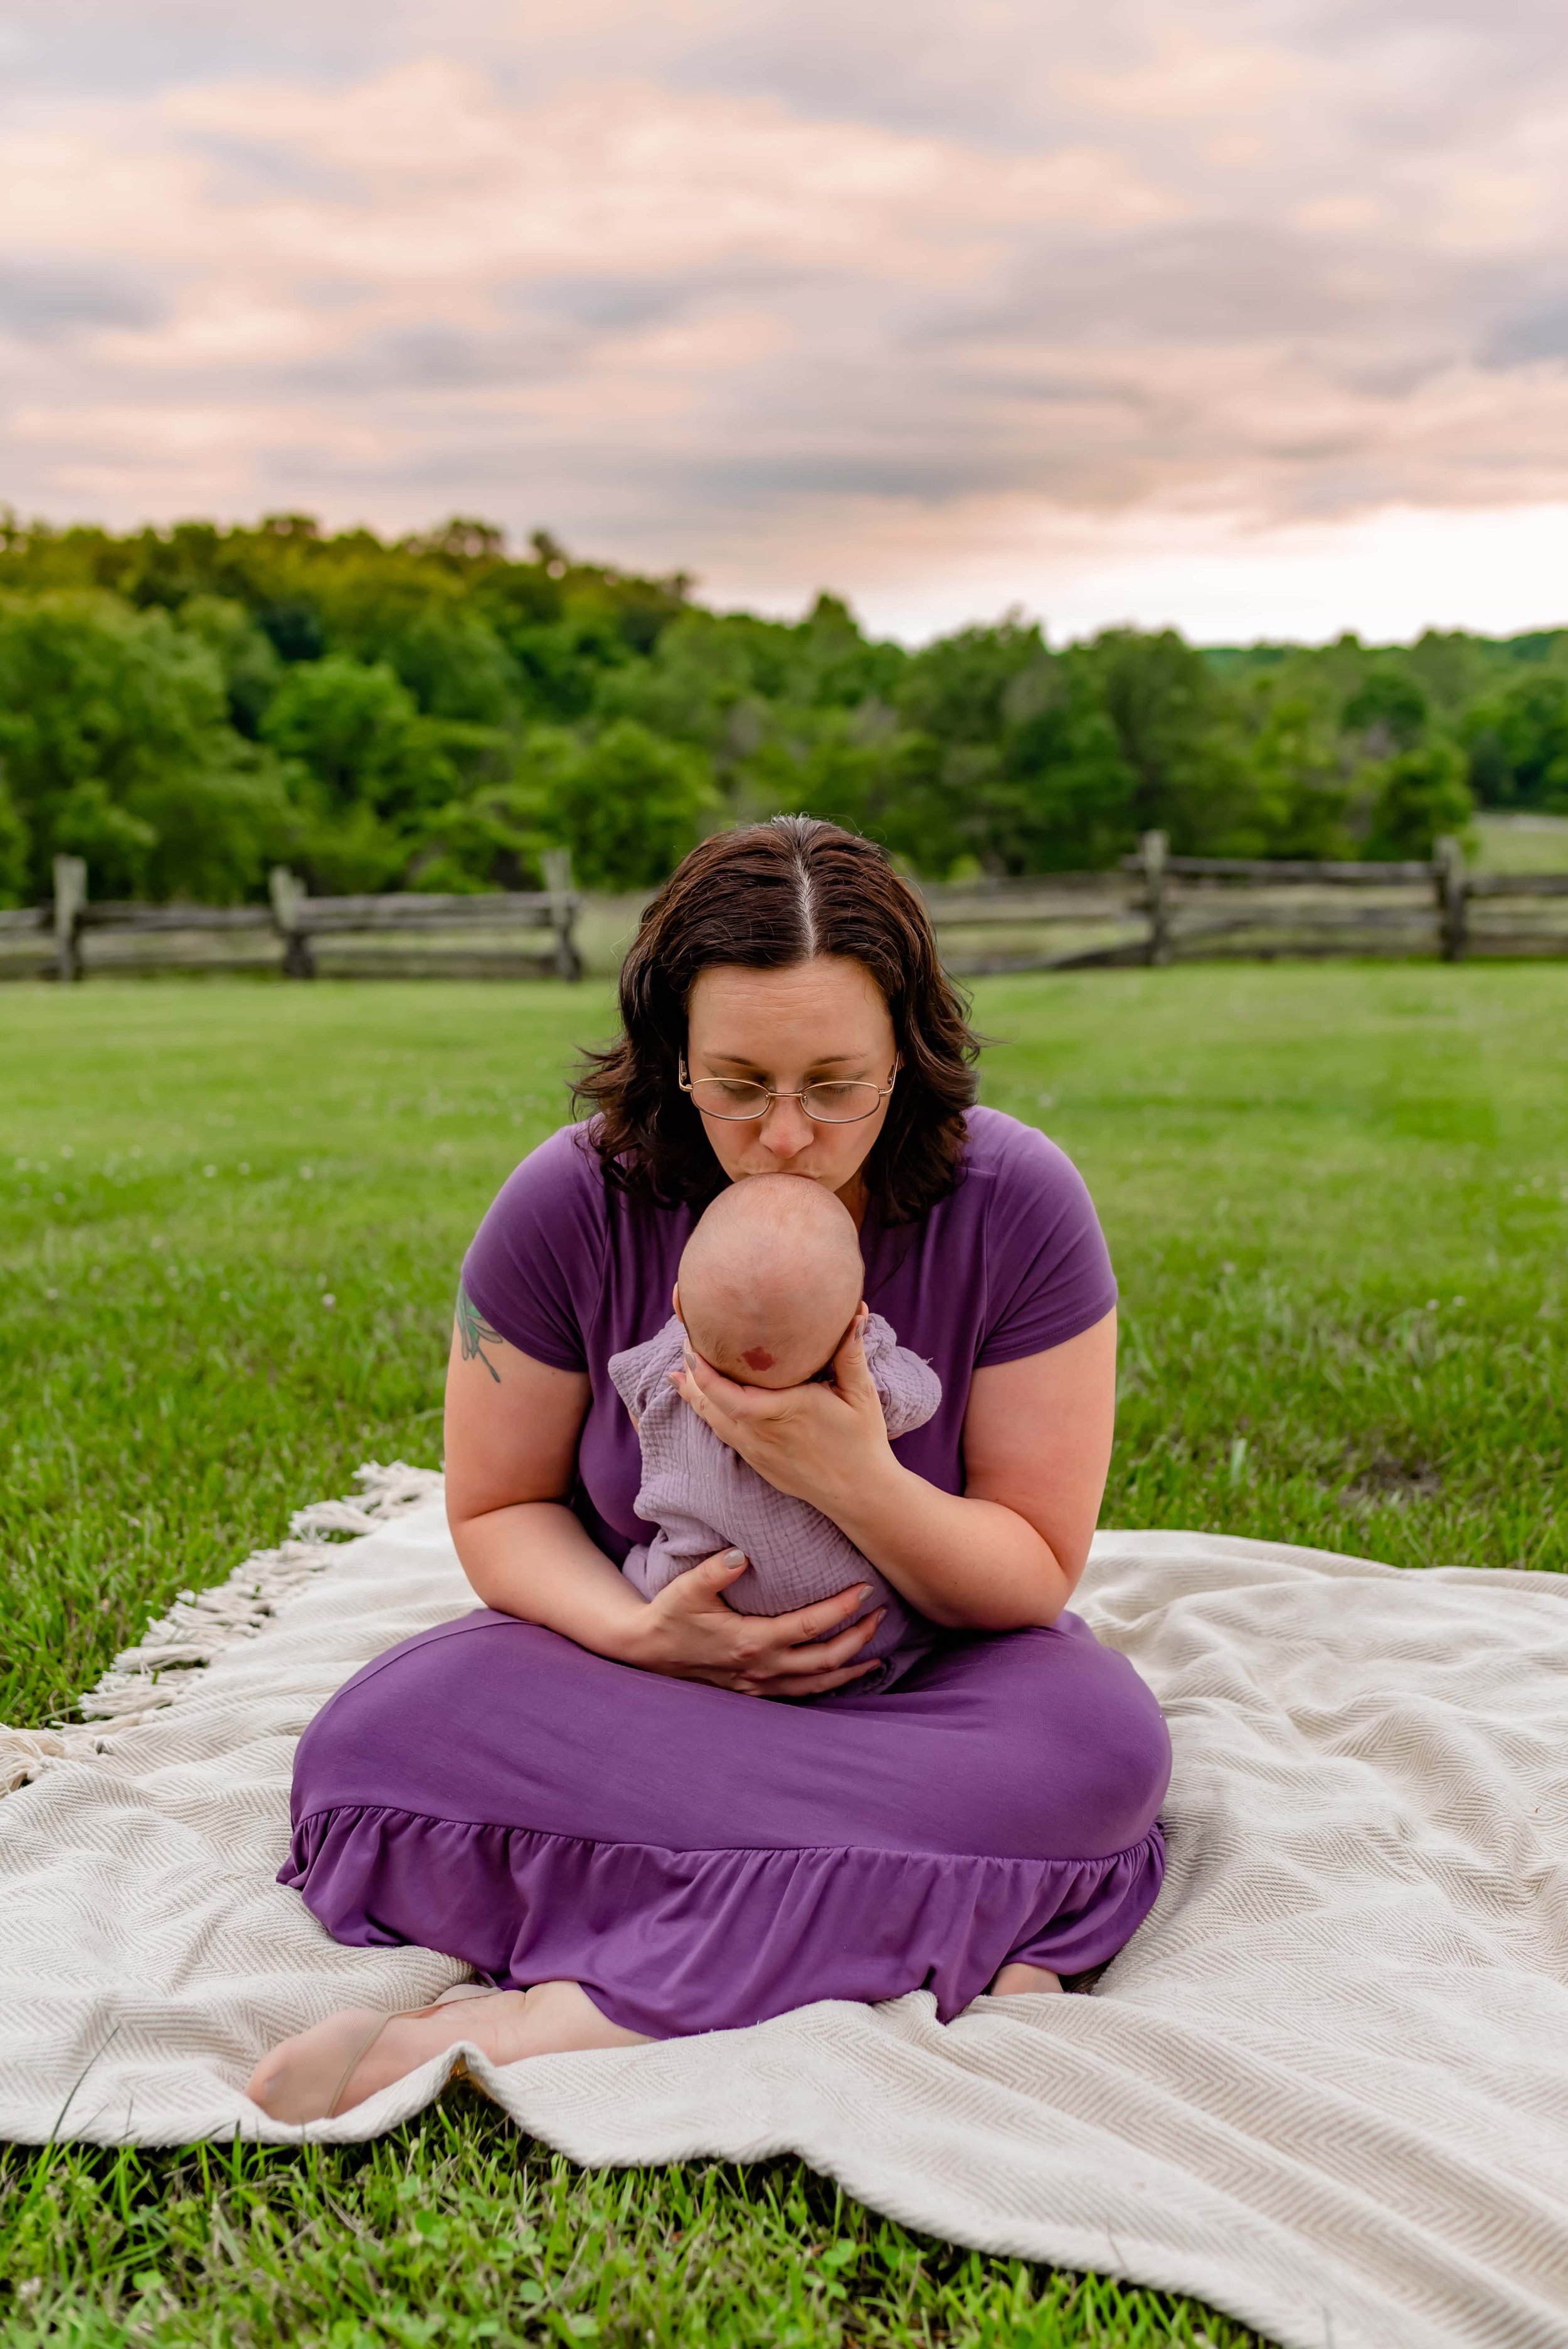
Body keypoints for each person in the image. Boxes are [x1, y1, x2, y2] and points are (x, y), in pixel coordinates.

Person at [248, 815, 1172, 2124]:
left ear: (905, 1056)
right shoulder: (568, 1204)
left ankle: (553, 2017)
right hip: (642, 1695)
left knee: (1096, 1749)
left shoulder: (1016, 1204)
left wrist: (853, 1474)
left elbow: (1028, 1568)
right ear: (669, 1053)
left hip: (928, 1683)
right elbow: (499, 1507)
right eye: (736, 1083)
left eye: (835, 1085)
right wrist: (642, 1635)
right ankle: (924, 1914)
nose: (786, 1134)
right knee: (369, 1750)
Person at [610, 1171, 944, 1692]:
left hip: (698, 1593)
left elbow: (629, 1386)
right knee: (908, 1625)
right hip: (847, 1626)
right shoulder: (859, 1377)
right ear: (856, 1318)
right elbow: (920, 1399)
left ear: (677, 1305)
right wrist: (870, 1346)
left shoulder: (662, 1366)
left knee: (641, 1569)